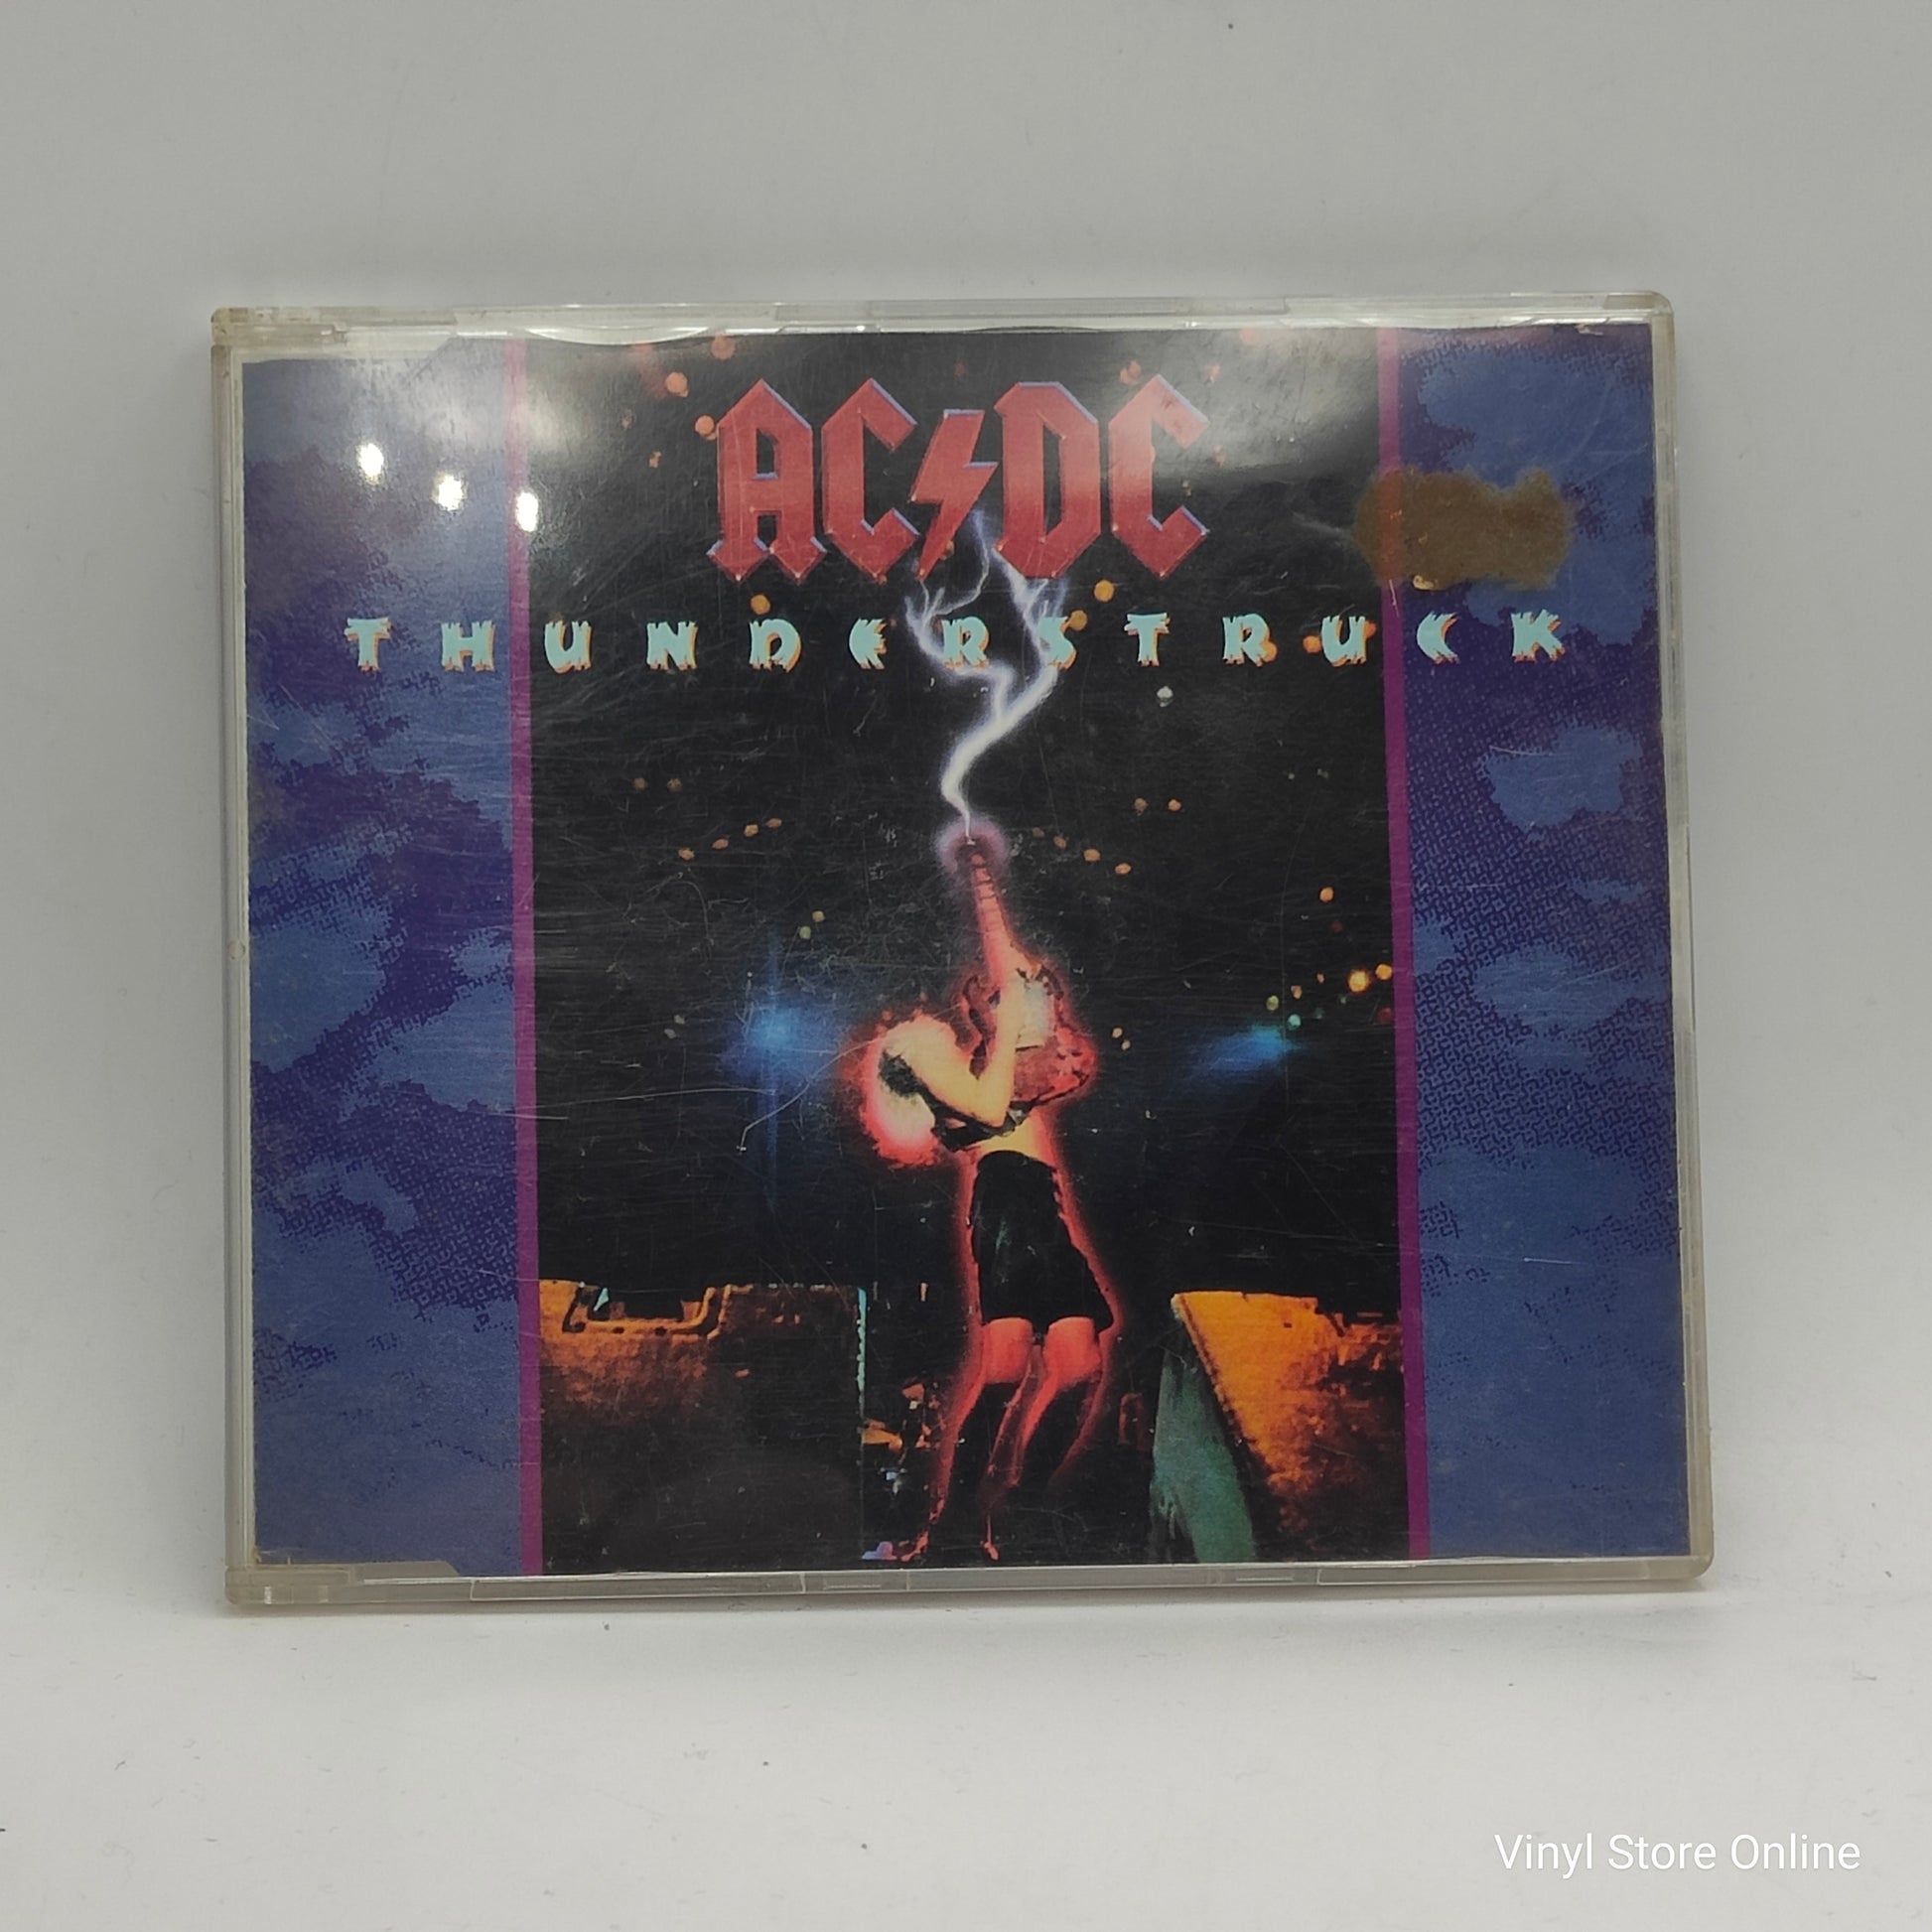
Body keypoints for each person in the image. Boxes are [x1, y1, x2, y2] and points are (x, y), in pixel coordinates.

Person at [860, 838, 1117, 1560]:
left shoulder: (1013, 1069)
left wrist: (983, 884)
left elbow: (1017, 977)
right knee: (1005, 1370)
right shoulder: (971, 1085)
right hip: (1006, 1204)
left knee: (1081, 1370)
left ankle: (1022, 1503)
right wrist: (980, 880)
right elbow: (1005, 978)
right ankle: (957, 1519)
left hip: (1042, 1205)